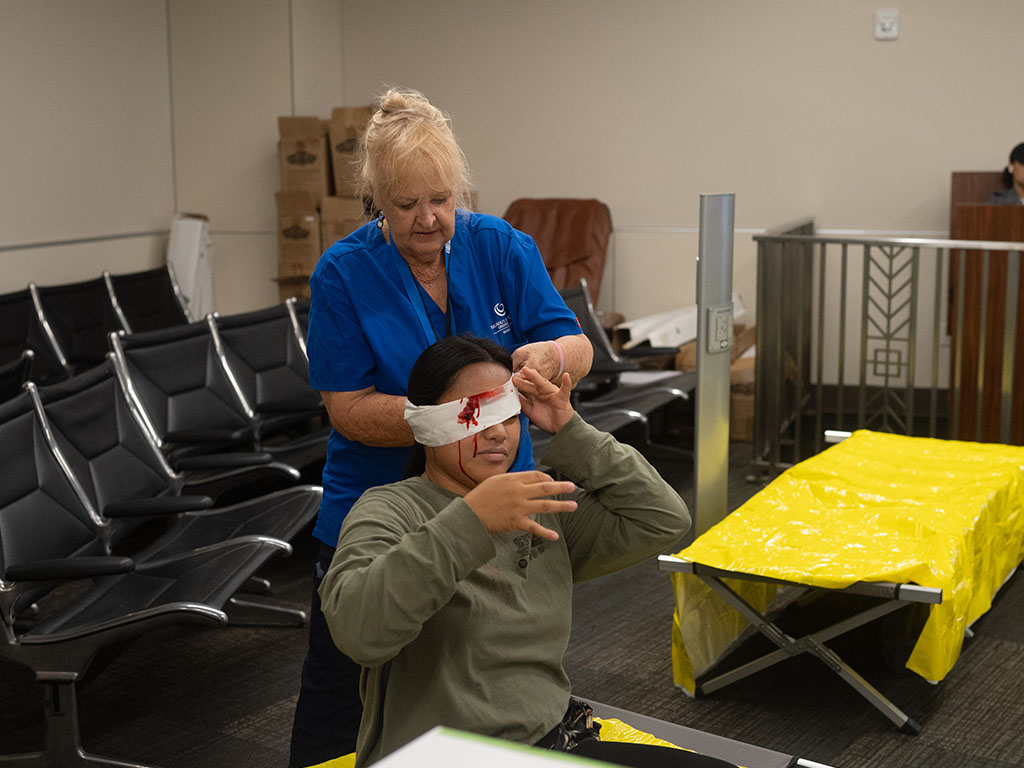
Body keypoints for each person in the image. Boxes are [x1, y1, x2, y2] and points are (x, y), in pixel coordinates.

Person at [289, 88, 593, 768]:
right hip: (375, 507)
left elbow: (576, 346)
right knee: (341, 690)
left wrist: (550, 356)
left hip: (494, 502)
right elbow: (347, 409)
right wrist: (454, 420)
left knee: (482, 679)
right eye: (405, 206)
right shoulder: (343, 273)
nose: (428, 219)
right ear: (376, 201)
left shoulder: (501, 248)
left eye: (441, 200)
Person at [320, 335, 730, 768]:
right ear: (426, 424)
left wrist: (570, 427)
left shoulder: (539, 502)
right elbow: (357, 631)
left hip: (548, 742)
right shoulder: (389, 508)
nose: (497, 431)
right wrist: (469, 522)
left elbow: (663, 518)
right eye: (472, 414)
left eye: (506, 412)